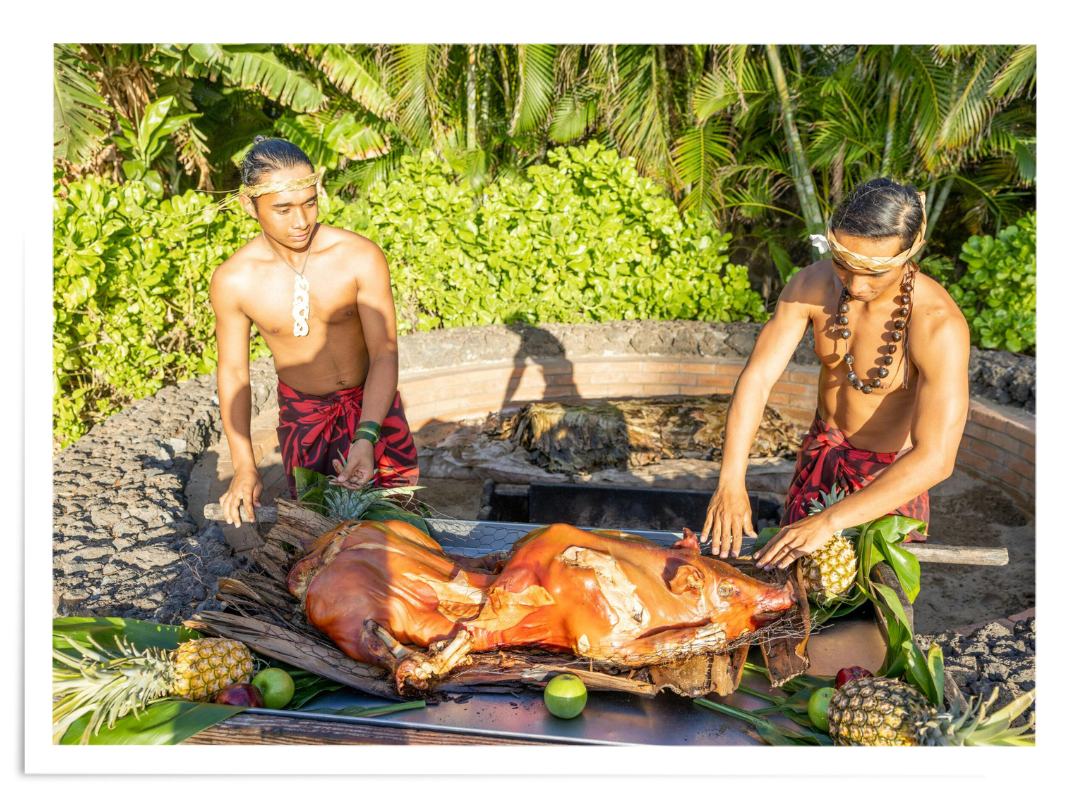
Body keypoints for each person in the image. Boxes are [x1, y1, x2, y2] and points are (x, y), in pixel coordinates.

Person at [700, 178, 970, 569]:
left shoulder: (937, 324)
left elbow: (936, 458)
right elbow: (757, 380)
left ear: (912, 249)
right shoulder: (810, 285)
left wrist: (829, 521)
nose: (857, 284)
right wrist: (730, 480)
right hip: (820, 455)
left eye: (875, 272)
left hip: (889, 477)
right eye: (843, 264)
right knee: (788, 590)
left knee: (867, 606)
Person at [210, 136, 418, 528]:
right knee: (318, 533)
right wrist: (243, 466)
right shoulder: (234, 281)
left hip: (373, 405)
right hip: (305, 420)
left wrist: (367, 435)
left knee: (397, 527)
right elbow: (234, 374)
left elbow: (385, 352)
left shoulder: (358, 256)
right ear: (247, 204)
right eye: (283, 209)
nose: (301, 221)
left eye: (310, 203)